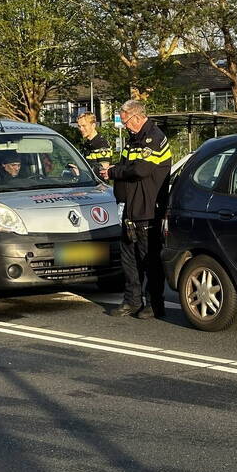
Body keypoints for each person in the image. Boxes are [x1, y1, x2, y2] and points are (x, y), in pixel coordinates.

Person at [100, 100, 172, 319]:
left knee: (149, 260)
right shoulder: (132, 141)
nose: (125, 126)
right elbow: (125, 165)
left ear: (138, 117)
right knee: (129, 259)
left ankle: (154, 304)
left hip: (148, 209)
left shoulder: (155, 138)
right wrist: (118, 170)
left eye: (126, 122)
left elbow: (141, 169)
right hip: (130, 209)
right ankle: (131, 301)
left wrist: (114, 172)